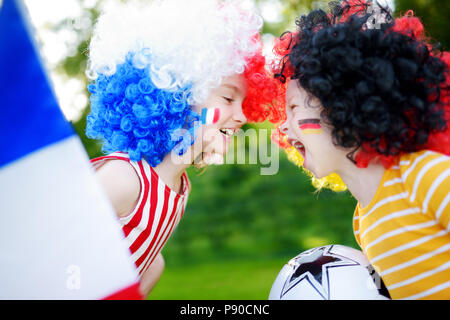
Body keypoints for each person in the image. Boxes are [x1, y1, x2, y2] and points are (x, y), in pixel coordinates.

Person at [85, 0, 281, 297]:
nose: (242, 116)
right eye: (228, 99)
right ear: (179, 96)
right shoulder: (123, 179)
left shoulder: (177, 190)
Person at [271, 0, 450, 299]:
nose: (284, 127)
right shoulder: (363, 222)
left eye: (293, 108)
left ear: (343, 107)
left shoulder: (425, 177)